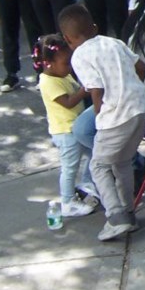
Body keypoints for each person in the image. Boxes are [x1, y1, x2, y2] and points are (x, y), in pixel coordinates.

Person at [60, 4, 145, 242]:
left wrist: (100, 112)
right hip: (140, 107)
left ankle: (115, 216)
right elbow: (140, 67)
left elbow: (96, 89)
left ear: (68, 39)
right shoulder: (114, 42)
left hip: (115, 115)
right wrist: (132, 88)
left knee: (99, 166)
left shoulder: (80, 55)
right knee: (121, 162)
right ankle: (129, 212)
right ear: (94, 27)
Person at [33, 34, 97, 218]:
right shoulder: (47, 82)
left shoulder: (64, 74)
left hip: (75, 127)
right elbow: (68, 102)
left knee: (95, 154)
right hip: (65, 132)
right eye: (66, 63)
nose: (70, 67)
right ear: (48, 63)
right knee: (70, 167)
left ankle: (87, 183)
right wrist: (85, 89)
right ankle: (68, 201)